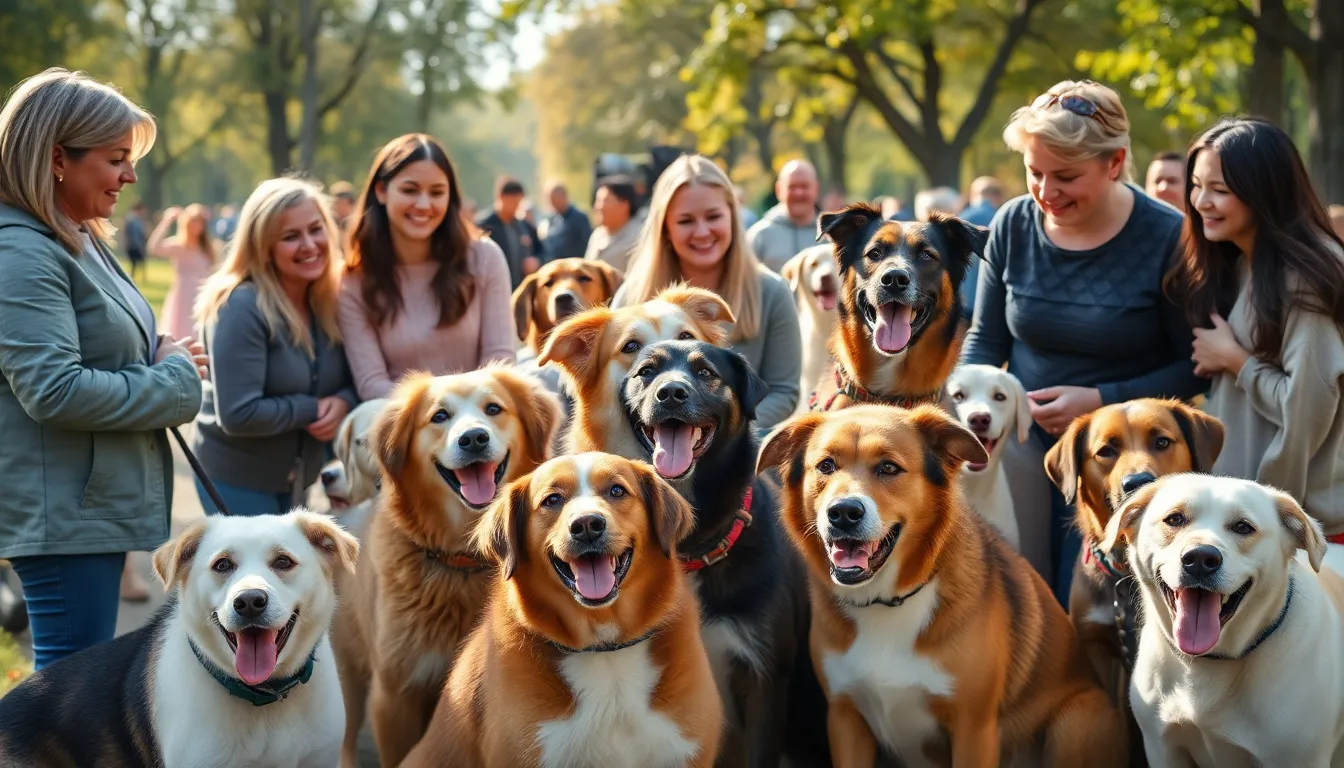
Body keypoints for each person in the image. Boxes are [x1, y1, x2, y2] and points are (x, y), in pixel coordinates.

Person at [961, 80, 1206, 603]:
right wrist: (969, 410)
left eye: (1066, 176)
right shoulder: (1011, 224)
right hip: (1021, 442)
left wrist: (1100, 401)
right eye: (1034, 173)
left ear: (1115, 163)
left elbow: (1193, 365)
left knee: (1091, 593)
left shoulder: (1168, 236)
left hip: (1123, 455)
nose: (1047, 192)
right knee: (1015, 581)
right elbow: (984, 340)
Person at [0, 68, 207, 669]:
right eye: (116, 158)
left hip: (91, 505)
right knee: (69, 692)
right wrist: (172, 379)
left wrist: (157, 351)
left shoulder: (74, 235)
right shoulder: (21, 248)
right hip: (64, 512)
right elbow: (53, 389)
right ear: (58, 157)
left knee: (81, 692)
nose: (131, 175)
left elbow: (97, 349)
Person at [1164, 118, 1344, 535]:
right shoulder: (1247, 263)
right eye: (1196, 185)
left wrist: (1236, 361)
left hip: (1298, 529)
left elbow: (1307, 410)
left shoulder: (1306, 277)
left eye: (1220, 190)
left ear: (1266, 193)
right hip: (1249, 517)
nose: (1200, 201)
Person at [192, 177, 358, 516]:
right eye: (290, 237)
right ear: (262, 246)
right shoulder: (240, 306)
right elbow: (239, 414)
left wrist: (343, 402)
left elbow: (353, 377)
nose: (310, 245)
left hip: (297, 479)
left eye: (316, 229)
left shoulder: (329, 300)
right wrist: (311, 409)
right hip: (237, 479)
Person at [611, 154, 802, 433]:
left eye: (713, 217)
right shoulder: (633, 295)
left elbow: (784, 391)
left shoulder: (772, 291)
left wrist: (724, 434)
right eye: (686, 221)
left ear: (733, 217)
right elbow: (611, 387)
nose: (702, 232)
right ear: (665, 228)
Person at [338, 134, 516, 401]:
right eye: (410, 190)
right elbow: (371, 384)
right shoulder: (352, 281)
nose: (424, 205)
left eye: (436, 193)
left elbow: (501, 362)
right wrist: (438, 415)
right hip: (406, 429)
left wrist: (463, 415)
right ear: (381, 191)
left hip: (482, 425)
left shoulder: (485, 258)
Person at [151, 202, 216, 340]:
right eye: (193, 221)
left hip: (202, 294)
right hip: (183, 295)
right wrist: (167, 220)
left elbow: (214, 270)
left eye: (200, 222)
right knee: (180, 331)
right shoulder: (178, 245)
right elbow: (154, 248)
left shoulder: (208, 248)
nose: (196, 225)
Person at [747, 159, 820, 273]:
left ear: (816, 189)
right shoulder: (759, 235)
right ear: (779, 190)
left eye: (804, 186)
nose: (799, 193)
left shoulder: (830, 235)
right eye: (792, 187)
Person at [477, 176, 544, 289]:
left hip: (521, 291)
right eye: (513, 202)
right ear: (500, 198)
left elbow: (543, 252)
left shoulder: (525, 227)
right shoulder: (482, 227)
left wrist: (537, 261)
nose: (516, 207)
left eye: (519, 202)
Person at [959, 177, 1007, 318]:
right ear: (997, 196)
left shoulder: (960, 220)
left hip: (963, 300)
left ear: (974, 195)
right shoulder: (1001, 219)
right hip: (992, 302)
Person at [584, 174, 643, 272]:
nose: (598, 207)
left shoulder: (639, 239)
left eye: (605, 201)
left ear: (624, 205)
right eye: (597, 201)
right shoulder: (598, 234)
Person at [542, 181, 592, 261]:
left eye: (553, 198)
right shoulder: (552, 219)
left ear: (563, 196)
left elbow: (587, 245)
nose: (551, 202)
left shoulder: (579, 218)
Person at [121, 200, 148, 282]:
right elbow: (127, 233)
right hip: (133, 245)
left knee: (140, 263)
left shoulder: (139, 220)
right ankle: (132, 279)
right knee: (133, 264)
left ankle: (141, 279)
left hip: (139, 245)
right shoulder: (131, 219)